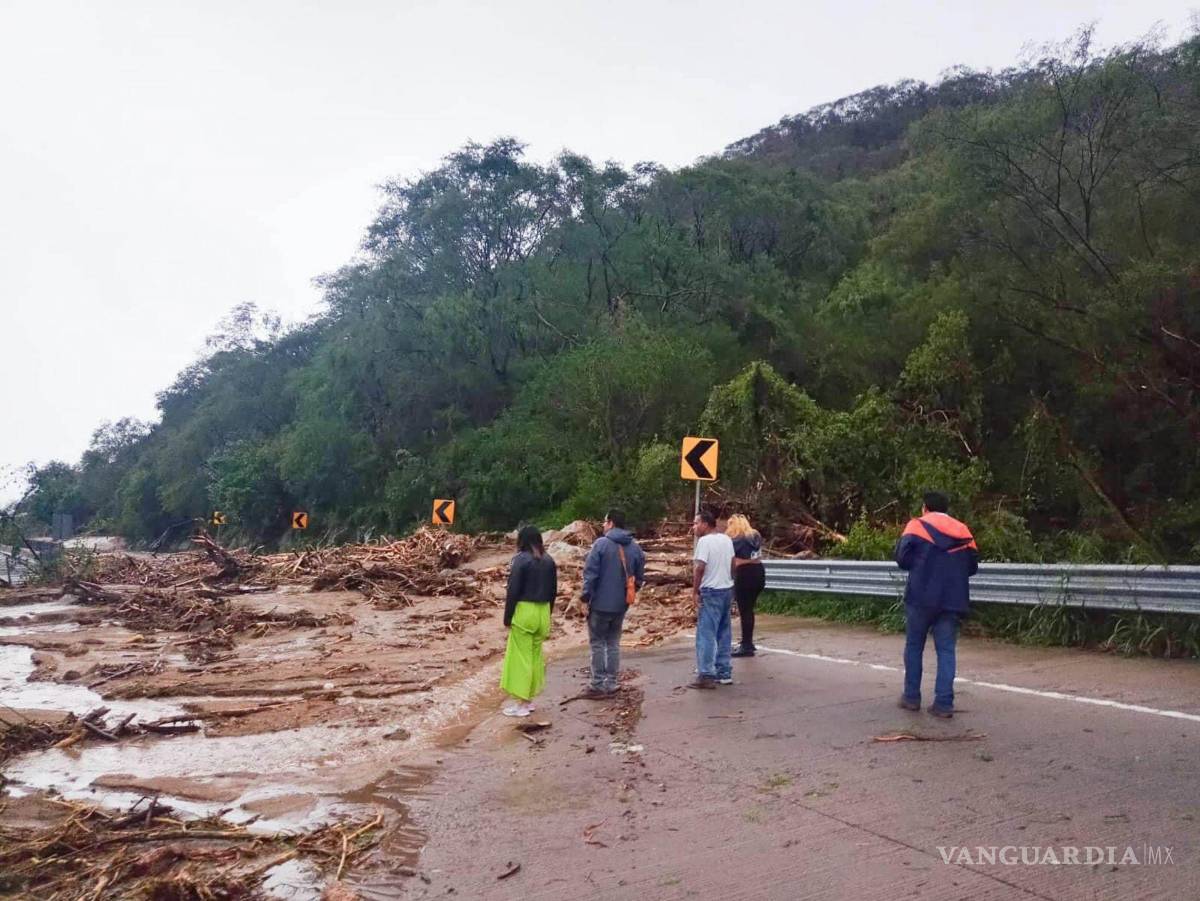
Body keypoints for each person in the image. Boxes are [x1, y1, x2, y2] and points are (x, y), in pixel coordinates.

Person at [895, 491, 979, 718]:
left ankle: (911, 697)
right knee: (946, 650)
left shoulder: (916, 526)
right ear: (946, 508)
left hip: (920, 597)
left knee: (914, 646)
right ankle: (944, 703)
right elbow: (972, 567)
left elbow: (902, 558)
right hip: (952, 599)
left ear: (925, 507)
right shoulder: (963, 530)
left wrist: (922, 566)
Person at [581, 509, 645, 699]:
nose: (602, 525)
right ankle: (612, 682)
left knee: (598, 643)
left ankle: (598, 684)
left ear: (611, 523)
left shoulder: (601, 545)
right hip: (621, 604)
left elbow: (590, 575)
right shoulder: (635, 547)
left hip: (600, 603)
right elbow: (639, 577)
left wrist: (585, 598)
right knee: (613, 643)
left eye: (604, 522)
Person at [499, 525, 557, 717]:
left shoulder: (521, 560)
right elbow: (553, 591)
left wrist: (507, 617)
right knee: (535, 656)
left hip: (525, 612)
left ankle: (522, 704)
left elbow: (513, 591)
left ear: (522, 540)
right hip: (543, 612)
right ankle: (529, 700)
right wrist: (548, 614)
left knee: (521, 658)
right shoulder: (549, 560)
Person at [690, 509, 736, 689]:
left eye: (695, 523)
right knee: (724, 632)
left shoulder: (704, 542)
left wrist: (695, 591)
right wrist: (730, 581)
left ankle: (706, 673)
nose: (694, 527)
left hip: (710, 591)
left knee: (706, 634)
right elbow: (733, 564)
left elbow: (699, 567)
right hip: (726, 589)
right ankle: (724, 671)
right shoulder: (726, 539)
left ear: (705, 524)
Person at [727, 514, 765, 657]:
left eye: (730, 524)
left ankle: (746, 645)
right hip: (758, 572)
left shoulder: (736, 540)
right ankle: (748, 641)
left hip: (744, 575)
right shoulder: (755, 535)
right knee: (749, 609)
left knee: (745, 611)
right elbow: (756, 557)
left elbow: (733, 560)